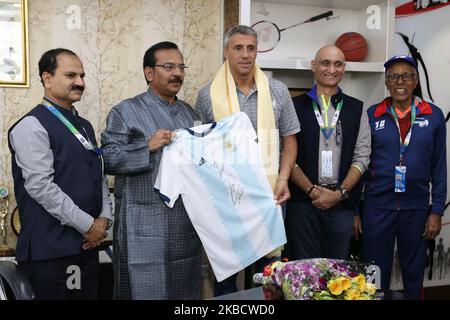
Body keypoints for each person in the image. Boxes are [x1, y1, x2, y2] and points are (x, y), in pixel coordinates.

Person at [195, 25, 300, 296]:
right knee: (227, 278)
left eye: (251, 48)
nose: (245, 54)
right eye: (238, 48)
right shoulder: (207, 95)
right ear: (226, 52)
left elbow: (289, 140)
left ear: (257, 51)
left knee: (268, 274)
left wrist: (284, 179)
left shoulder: (277, 91)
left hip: (270, 194)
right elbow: (199, 147)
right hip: (227, 199)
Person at [8, 48, 112, 300]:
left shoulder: (84, 125)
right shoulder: (31, 126)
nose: (80, 82)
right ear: (47, 78)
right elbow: (41, 187)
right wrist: (89, 225)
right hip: (51, 254)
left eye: (82, 75)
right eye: (70, 75)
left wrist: (103, 221)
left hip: (86, 247)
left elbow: (98, 176)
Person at [101, 41, 202, 299]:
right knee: (141, 288)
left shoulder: (190, 113)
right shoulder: (125, 112)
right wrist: (147, 146)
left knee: (184, 289)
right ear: (149, 73)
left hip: (183, 223)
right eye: (168, 66)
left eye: (181, 67)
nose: (177, 73)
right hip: (141, 223)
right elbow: (109, 160)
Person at [362, 55, 446, 299]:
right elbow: (360, 163)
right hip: (377, 207)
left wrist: (437, 210)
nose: (400, 81)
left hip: (417, 208)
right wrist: (357, 210)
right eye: (393, 76)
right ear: (386, 82)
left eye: (407, 76)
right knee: (374, 274)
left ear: (416, 80)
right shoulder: (371, 115)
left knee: (414, 273)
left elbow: (440, 167)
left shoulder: (433, 115)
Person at [285, 45, 371, 261]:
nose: (332, 69)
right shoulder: (293, 106)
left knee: (337, 275)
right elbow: (285, 155)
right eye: (325, 63)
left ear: (344, 68)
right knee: (304, 273)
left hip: (341, 206)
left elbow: (362, 157)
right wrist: (311, 190)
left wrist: (339, 193)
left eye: (338, 64)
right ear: (313, 66)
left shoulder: (357, 108)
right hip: (303, 205)